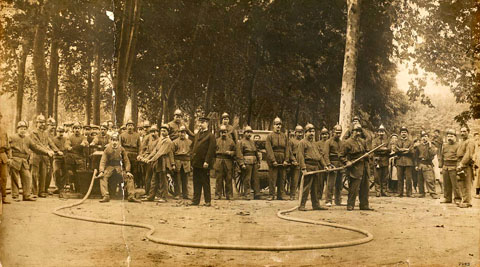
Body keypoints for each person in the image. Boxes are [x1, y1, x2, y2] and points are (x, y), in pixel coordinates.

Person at [8, 121, 54, 201]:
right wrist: (9, 158)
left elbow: (35, 147)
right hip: (15, 160)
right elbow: (7, 148)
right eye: (21, 129)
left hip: (24, 161)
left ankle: (26, 195)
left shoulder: (28, 139)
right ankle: (15, 196)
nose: (23, 130)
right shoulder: (12, 137)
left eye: (24, 129)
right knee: (14, 178)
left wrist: (47, 152)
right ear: (17, 129)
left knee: (27, 177)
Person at [98, 132, 141, 203]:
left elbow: (126, 161)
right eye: (113, 140)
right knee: (102, 177)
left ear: (118, 141)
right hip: (110, 167)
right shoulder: (107, 149)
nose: (114, 142)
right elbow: (103, 161)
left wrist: (127, 171)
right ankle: (105, 195)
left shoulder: (122, 149)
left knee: (129, 177)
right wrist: (101, 171)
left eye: (116, 140)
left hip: (119, 167)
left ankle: (131, 196)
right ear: (110, 141)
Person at [340, 124, 373, 211]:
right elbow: (341, 156)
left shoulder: (363, 141)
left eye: (359, 131)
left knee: (365, 186)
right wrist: (347, 162)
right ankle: (350, 205)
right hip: (355, 167)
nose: (358, 133)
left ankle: (364, 205)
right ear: (352, 132)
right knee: (354, 187)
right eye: (356, 131)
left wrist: (367, 154)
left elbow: (367, 151)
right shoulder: (347, 143)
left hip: (365, 167)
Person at [297, 123, 328, 211]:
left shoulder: (315, 144)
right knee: (306, 187)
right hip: (308, 166)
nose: (312, 133)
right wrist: (303, 168)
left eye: (313, 131)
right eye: (309, 131)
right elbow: (300, 156)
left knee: (316, 187)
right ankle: (302, 205)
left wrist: (325, 166)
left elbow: (320, 156)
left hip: (316, 167)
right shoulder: (302, 143)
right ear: (305, 133)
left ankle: (316, 205)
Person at [30, 114, 60, 197]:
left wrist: (57, 150)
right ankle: (34, 192)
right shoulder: (33, 133)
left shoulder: (45, 133)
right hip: (35, 155)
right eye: (40, 122)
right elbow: (36, 146)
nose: (42, 124)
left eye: (43, 122)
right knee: (35, 174)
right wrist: (47, 151)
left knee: (43, 173)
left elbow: (50, 143)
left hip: (44, 156)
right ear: (36, 123)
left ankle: (42, 191)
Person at [190, 116, 216, 206]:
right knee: (196, 181)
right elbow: (193, 147)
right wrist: (191, 160)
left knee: (205, 182)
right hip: (196, 162)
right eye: (200, 122)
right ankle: (195, 200)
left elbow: (211, 150)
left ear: (207, 124)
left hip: (204, 163)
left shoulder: (210, 136)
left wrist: (207, 161)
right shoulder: (197, 135)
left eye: (203, 122)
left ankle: (207, 201)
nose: (201, 124)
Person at [145, 124, 174, 203]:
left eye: (164, 131)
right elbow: (155, 150)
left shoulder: (168, 141)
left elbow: (160, 153)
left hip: (163, 162)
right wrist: (147, 158)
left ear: (168, 132)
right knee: (154, 179)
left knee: (163, 180)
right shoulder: (161, 139)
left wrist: (151, 160)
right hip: (157, 162)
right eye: (161, 131)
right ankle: (151, 196)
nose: (162, 132)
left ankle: (164, 197)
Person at [265, 117, 291, 200]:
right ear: (273, 126)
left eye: (279, 124)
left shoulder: (284, 136)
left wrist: (286, 160)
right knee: (273, 177)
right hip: (274, 157)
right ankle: (271, 194)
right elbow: (269, 149)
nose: (278, 126)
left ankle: (281, 194)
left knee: (282, 177)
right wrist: (273, 160)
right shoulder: (270, 136)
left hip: (282, 157)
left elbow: (287, 148)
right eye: (276, 124)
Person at [236, 126, 261, 200]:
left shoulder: (252, 142)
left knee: (256, 178)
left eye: (250, 132)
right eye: (247, 132)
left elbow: (256, 152)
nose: (249, 134)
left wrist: (258, 161)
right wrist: (241, 163)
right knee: (247, 179)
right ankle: (247, 194)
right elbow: (239, 153)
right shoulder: (241, 142)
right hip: (246, 162)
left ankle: (257, 194)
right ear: (244, 133)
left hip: (254, 161)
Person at [438, 129, 462, 204]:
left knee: (455, 185)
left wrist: (458, 167)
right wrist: (441, 167)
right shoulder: (444, 145)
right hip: (445, 166)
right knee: (446, 184)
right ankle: (447, 198)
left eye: (451, 136)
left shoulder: (458, 145)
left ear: (455, 137)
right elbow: (441, 156)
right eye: (448, 136)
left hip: (454, 166)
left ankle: (457, 198)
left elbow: (459, 157)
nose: (449, 138)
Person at [65, 122, 89, 193]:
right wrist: (77, 147)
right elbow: (67, 146)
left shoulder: (83, 137)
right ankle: (72, 188)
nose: (77, 130)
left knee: (80, 174)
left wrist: (83, 145)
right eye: (75, 128)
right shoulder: (70, 137)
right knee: (71, 174)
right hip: (71, 159)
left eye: (78, 128)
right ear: (73, 129)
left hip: (80, 159)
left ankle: (80, 189)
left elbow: (85, 143)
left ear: (80, 129)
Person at [414, 131, 439, 199]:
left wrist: (430, 145)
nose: (424, 138)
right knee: (420, 180)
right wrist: (416, 165)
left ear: (428, 138)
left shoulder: (431, 146)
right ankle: (421, 193)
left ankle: (433, 193)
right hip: (420, 164)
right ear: (421, 138)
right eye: (423, 137)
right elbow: (416, 157)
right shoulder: (418, 146)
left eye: (425, 136)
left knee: (430, 179)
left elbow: (433, 154)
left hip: (428, 164)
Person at [214, 125, 236, 200]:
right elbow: (212, 151)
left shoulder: (231, 141)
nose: (223, 134)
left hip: (228, 161)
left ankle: (229, 195)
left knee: (229, 178)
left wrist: (231, 152)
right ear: (220, 133)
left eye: (225, 132)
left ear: (227, 132)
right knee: (218, 178)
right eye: (222, 132)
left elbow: (235, 151)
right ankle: (218, 194)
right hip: (219, 160)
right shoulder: (216, 141)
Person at [324, 124, 344, 206]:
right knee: (330, 184)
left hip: (340, 165)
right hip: (332, 164)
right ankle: (328, 200)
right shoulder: (328, 142)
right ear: (333, 132)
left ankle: (338, 200)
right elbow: (325, 154)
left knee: (339, 184)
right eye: (337, 133)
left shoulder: (342, 142)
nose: (338, 134)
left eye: (340, 133)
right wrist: (329, 164)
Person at [138, 125, 159, 199]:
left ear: (157, 132)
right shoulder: (150, 140)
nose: (153, 134)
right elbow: (146, 150)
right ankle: (147, 192)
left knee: (155, 178)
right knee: (147, 177)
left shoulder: (159, 140)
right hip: (149, 160)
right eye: (152, 132)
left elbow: (156, 152)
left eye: (155, 132)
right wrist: (143, 156)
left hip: (156, 161)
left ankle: (155, 194)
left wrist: (150, 158)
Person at [456, 127, 475, 208]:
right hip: (460, 163)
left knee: (466, 183)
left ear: (468, 132)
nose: (462, 133)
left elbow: (468, 155)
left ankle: (467, 202)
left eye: (464, 131)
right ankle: (464, 200)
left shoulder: (470, 142)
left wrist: (462, 164)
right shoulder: (462, 141)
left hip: (466, 164)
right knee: (461, 182)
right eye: (461, 131)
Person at [120, 120, 142, 188]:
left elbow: (139, 147)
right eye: (128, 125)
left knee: (134, 170)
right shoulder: (122, 135)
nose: (130, 127)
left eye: (131, 125)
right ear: (126, 127)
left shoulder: (137, 135)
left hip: (134, 154)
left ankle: (133, 186)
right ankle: (125, 186)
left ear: (133, 127)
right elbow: (120, 146)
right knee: (126, 169)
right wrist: (121, 155)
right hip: (125, 153)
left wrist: (139, 155)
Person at [393, 126, 414, 197]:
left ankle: (409, 193)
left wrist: (401, 150)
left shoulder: (411, 142)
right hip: (399, 161)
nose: (403, 133)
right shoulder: (397, 142)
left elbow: (411, 151)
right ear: (400, 134)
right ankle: (399, 193)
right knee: (400, 178)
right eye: (402, 132)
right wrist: (405, 150)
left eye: (405, 132)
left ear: (407, 133)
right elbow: (395, 151)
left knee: (408, 178)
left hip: (408, 162)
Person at [172, 126, 192, 199]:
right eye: (180, 132)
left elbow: (192, 153)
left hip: (186, 162)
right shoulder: (174, 142)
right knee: (177, 179)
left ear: (185, 133)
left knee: (185, 179)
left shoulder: (190, 142)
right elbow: (172, 153)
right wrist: (173, 163)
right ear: (178, 133)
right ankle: (177, 194)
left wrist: (191, 163)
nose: (182, 134)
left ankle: (185, 194)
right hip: (177, 161)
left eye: (183, 132)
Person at [372, 125, 390, 197]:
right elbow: (374, 149)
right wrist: (384, 149)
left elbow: (389, 149)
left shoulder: (387, 141)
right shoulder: (374, 140)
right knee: (377, 176)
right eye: (380, 132)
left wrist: (382, 149)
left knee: (385, 176)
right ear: (377, 132)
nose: (381, 133)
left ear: (384, 132)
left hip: (385, 159)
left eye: (382, 132)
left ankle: (384, 191)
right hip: (377, 159)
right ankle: (378, 191)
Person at [52, 126, 68, 198]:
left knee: (65, 172)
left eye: (62, 132)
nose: (60, 133)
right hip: (56, 158)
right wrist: (57, 152)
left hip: (64, 158)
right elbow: (51, 147)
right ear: (57, 132)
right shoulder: (53, 139)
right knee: (56, 171)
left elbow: (67, 146)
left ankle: (61, 187)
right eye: (59, 132)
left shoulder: (65, 139)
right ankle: (58, 186)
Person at [287, 125, 302, 199]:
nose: (300, 134)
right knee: (294, 179)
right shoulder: (291, 141)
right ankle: (292, 195)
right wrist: (294, 160)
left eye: (301, 132)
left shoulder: (303, 141)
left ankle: (301, 195)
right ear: (295, 132)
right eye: (298, 132)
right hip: (294, 161)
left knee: (302, 179)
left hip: (302, 160)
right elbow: (290, 152)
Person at [316, 127, 330, 199]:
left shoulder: (330, 142)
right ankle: (319, 196)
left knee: (329, 181)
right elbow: (319, 155)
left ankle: (328, 197)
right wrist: (323, 164)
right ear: (321, 135)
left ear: (328, 135)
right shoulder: (317, 144)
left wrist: (328, 164)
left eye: (326, 134)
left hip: (329, 164)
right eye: (323, 134)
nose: (324, 136)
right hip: (320, 165)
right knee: (320, 182)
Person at [0, 111, 9, 204]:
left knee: (4, 177)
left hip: (2, 155)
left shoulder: (3, 130)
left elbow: (7, 145)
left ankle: (3, 196)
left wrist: (9, 156)